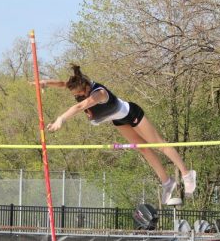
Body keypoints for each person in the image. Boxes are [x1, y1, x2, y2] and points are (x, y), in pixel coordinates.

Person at [37, 65, 196, 205]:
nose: (78, 96)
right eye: (76, 94)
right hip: (118, 120)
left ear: (86, 88)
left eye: (80, 94)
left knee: (158, 144)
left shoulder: (98, 93)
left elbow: (81, 106)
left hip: (132, 113)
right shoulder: (78, 86)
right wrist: (45, 83)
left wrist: (61, 119)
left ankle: (187, 174)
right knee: (143, 149)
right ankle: (167, 182)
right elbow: (62, 84)